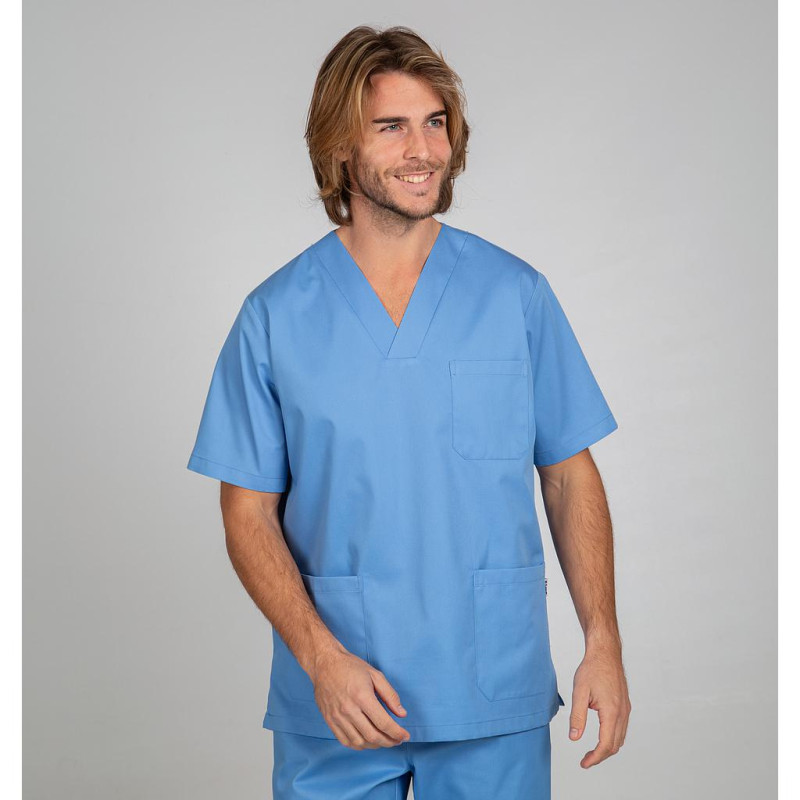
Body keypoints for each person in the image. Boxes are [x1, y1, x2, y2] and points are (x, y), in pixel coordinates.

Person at [187, 24, 631, 800]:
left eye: (435, 123)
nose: (423, 149)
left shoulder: (514, 295)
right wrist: (321, 658)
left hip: (488, 684)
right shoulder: (276, 316)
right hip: (338, 696)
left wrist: (604, 640)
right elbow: (247, 513)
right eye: (391, 126)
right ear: (338, 147)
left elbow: (569, 476)